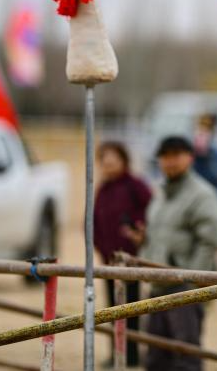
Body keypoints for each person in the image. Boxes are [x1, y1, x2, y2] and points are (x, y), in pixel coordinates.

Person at [129, 136, 217, 371]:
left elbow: (210, 241)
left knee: (186, 356)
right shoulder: (161, 194)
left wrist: (191, 280)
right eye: (165, 156)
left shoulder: (202, 195)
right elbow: (157, 234)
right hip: (157, 285)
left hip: (184, 288)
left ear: (190, 157)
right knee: (155, 357)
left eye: (176, 155)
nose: (170, 161)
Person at [93, 140, 151, 368]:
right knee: (112, 310)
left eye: (112, 161)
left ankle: (133, 354)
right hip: (108, 262)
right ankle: (117, 353)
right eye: (104, 162)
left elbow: (150, 212)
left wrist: (137, 232)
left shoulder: (135, 186)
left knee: (133, 309)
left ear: (123, 161)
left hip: (132, 261)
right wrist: (100, 248)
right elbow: (94, 221)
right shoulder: (102, 189)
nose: (108, 166)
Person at [191, 114, 217, 204]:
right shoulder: (189, 154)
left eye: (207, 128)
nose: (202, 133)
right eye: (201, 127)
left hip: (212, 202)